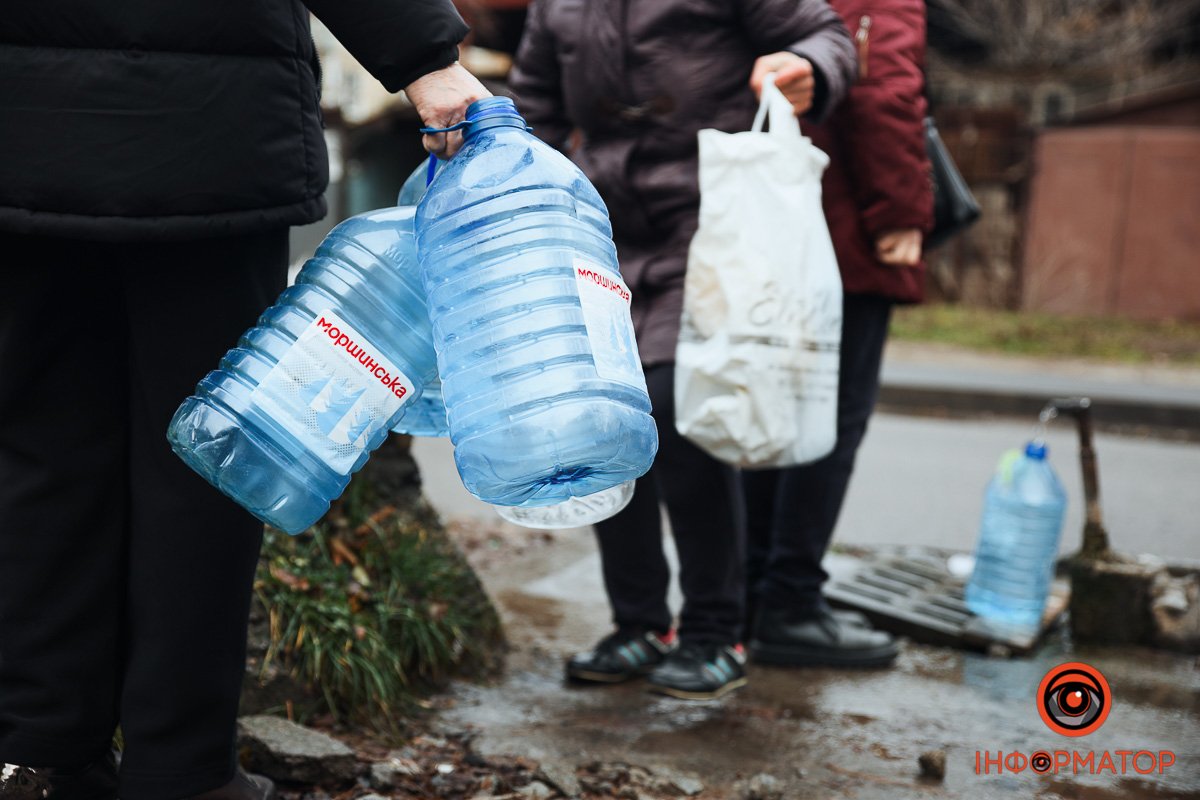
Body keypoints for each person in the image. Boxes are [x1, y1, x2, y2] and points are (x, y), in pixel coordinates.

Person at [0, 1, 489, 798]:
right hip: (205, 140)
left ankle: (44, 751)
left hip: (24, 127)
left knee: (45, 454)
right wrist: (424, 58)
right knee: (208, 466)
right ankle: (180, 767)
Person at [509, 0, 856, 700]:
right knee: (607, 420)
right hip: (600, 227)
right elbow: (534, 107)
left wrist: (811, 65)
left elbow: (826, 35)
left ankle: (714, 631)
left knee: (676, 409)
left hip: (712, 223)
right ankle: (640, 623)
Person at [741, 0, 933, 668]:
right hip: (840, 229)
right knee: (830, 418)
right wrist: (900, 211)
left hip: (766, 223)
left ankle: (751, 593)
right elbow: (885, 93)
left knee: (770, 416)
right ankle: (789, 602)